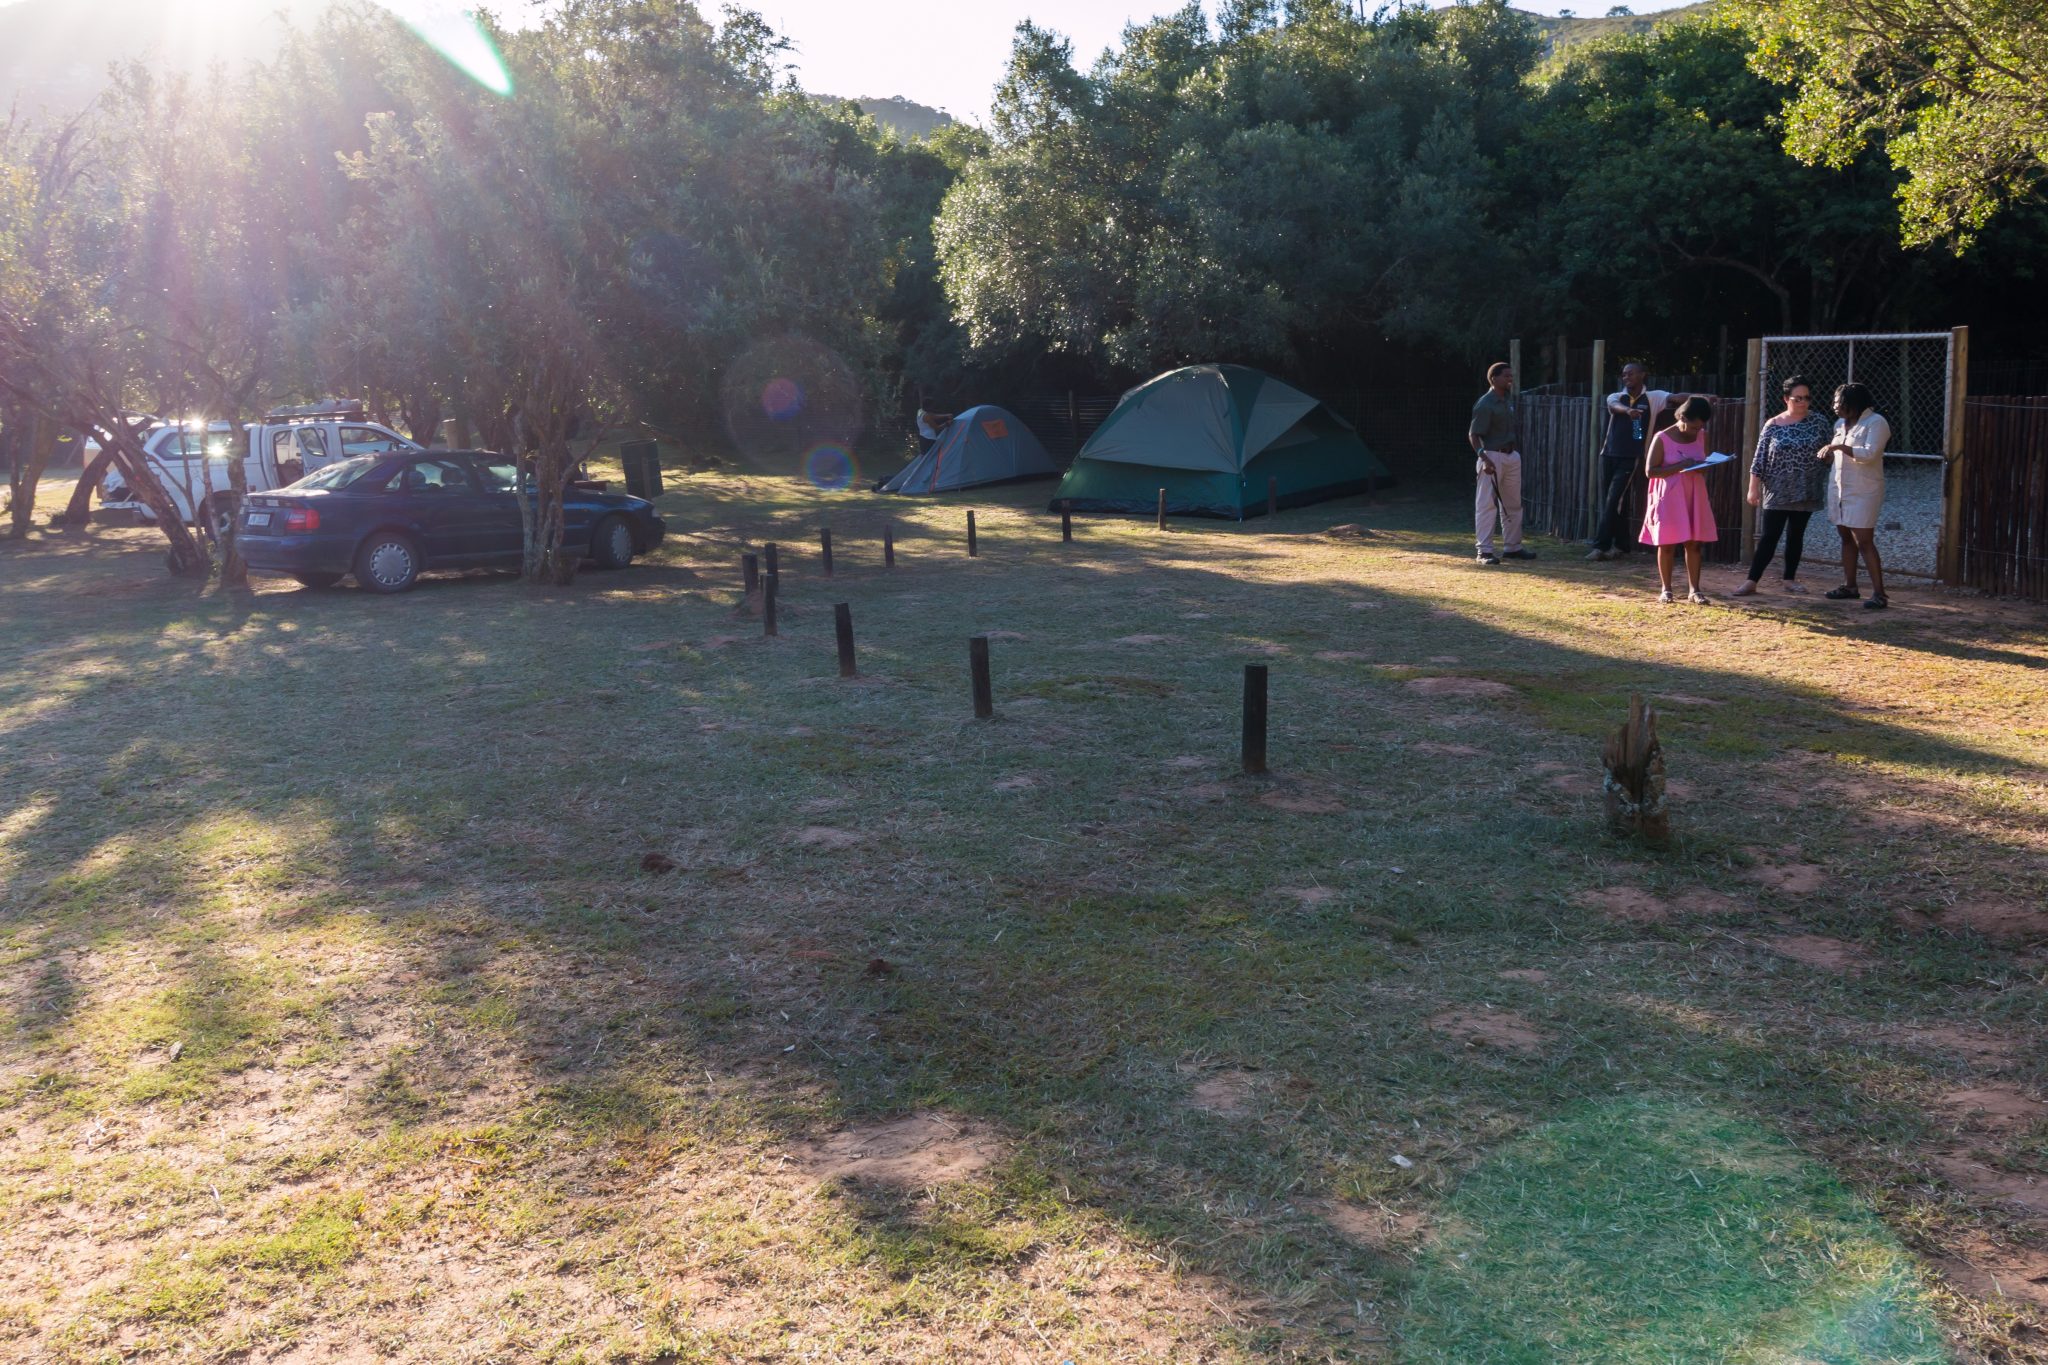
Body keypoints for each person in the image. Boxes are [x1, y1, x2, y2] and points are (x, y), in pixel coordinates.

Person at [1732, 374, 1831, 596]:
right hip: (1777, 490)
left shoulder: (1820, 422)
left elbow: (1828, 452)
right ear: (1786, 399)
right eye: (1798, 398)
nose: (1803, 402)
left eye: (1807, 397)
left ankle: (1789, 579)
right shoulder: (1773, 424)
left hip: (1806, 489)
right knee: (1770, 536)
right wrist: (1753, 487)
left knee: (1796, 535)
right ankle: (1752, 580)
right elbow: (1760, 458)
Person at [1587, 363, 1680, 561]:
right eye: (1624, 374)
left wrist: (1700, 398)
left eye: (1630, 373)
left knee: (1614, 500)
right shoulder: (1616, 397)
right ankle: (1622, 545)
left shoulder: (1653, 397)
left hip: (1632, 457)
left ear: (1642, 375)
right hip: (1609, 453)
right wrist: (1629, 411)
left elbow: (1675, 398)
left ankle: (1600, 546)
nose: (1626, 377)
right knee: (1615, 501)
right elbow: (1613, 407)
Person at [1640, 395, 1720, 603]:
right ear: (1682, 417)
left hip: (1694, 494)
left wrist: (1704, 466)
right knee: (1666, 544)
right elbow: (1650, 471)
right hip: (1669, 496)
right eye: (1693, 427)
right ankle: (1666, 590)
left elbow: (1704, 463)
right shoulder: (1662, 438)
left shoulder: (1702, 435)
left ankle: (1695, 590)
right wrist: (1680, 466)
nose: (1697, 431)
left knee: (1694, 543)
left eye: (1700, 427)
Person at [1818, 382, 1891, 609]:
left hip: (1863, 490)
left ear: (1854, 403)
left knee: (1864, 541)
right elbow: (1838, 457)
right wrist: (1828, 455)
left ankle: (1879, 593)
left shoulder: (1876, 422)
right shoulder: (1840, 424)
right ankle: (1850, 586)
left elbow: (1869, 454)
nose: (1834, 406)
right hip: (1840, 489)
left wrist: (1838, 447)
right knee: (1846, 537)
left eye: (1839, 403)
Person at [1468, 362, 1535, 565]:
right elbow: (1473, 435)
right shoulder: (1485, 404)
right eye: (1506, 376)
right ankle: (1484, 551)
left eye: (1511, 376)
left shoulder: (1507, 400)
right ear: (1493, 378)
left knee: (1513, 503)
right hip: (1491, 456)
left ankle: (1513, 547)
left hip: (1511, 455)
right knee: (1487, 505)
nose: (1510, 379)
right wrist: (1484, 458)